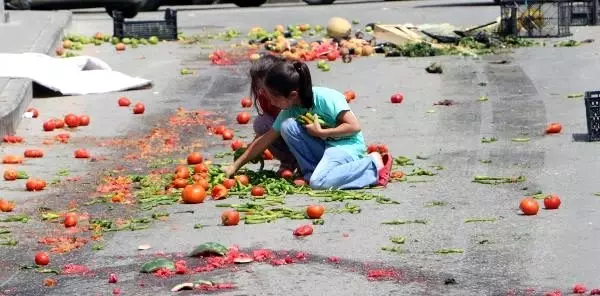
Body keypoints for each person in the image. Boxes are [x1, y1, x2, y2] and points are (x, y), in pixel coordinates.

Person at [226, 57, 392, 189]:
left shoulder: (326, 98)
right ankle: (311, 172)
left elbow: (354, 127)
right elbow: (264, 140)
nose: (270, 101)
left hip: (345, 147)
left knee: (319, 183)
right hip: (326, 149)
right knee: (287, 126)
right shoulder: (289, 111)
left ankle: (373, 164)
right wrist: (236, 166)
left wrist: (321, 133)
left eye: (273, 97)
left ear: (291, 95)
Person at [248, 54, 299, 174]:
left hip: (298, 131)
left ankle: (303, 162)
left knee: (288, 126)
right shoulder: (262, 95)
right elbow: (271, 125)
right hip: (279, 130)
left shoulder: (287, 92)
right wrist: (253, 148)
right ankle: (288, 161)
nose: (260, 88)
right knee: (261, 123)